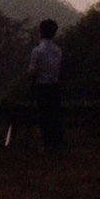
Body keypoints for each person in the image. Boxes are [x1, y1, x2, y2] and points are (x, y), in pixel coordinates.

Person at [28, 18, 64, 152]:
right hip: (54, 85)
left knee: (43, 115)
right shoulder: (57, 50)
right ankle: (56, 142)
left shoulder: (37, 50)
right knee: (54, 114)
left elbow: (32, 71)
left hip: (42, 86)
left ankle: (47, 143)